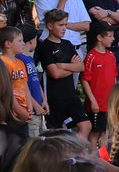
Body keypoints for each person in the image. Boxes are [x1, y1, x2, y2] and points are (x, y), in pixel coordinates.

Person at [35, 10, 91, 139]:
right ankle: (61, 155)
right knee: (57, 132)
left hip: (71, 94)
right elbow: (55, 73)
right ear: (50, 26)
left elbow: (81, 66)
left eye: (65, 25)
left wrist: (62, 65)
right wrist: (72, 67)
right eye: (61, 25)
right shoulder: (45, 46)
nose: (64, 28)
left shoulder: (67, 44)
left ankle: (73, 153)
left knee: (85, 125)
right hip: (55, 96)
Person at [82, 21, 118, 147]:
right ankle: (93, 158)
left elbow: (113, 79)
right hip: (96, 104)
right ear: (99, 37)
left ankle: (103, 159)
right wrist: (92, 101)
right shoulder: (91, 56)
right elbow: (85, 80)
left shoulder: (111, 56)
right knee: (94, 133)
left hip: (108, 103)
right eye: (109, 36)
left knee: (105, 132)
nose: (113, 39)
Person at [0, 26, 35, 124]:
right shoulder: (2, 63)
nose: (23, 43)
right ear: (8, 44)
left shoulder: (20, 62)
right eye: (20, 41)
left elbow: (25, 87)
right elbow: (6, 91)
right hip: (10, 113)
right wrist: (20, 111)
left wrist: (29, 108)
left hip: (23, 112)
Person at [18, 25, 48, 138]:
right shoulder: (20, 59)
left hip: (39, 109)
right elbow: (23, 86)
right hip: (32, 110)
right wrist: (35, 106)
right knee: (33, 143)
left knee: (41, 140)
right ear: (31, 41)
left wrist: (44, 99)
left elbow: (35, 81)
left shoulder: (30, 59)